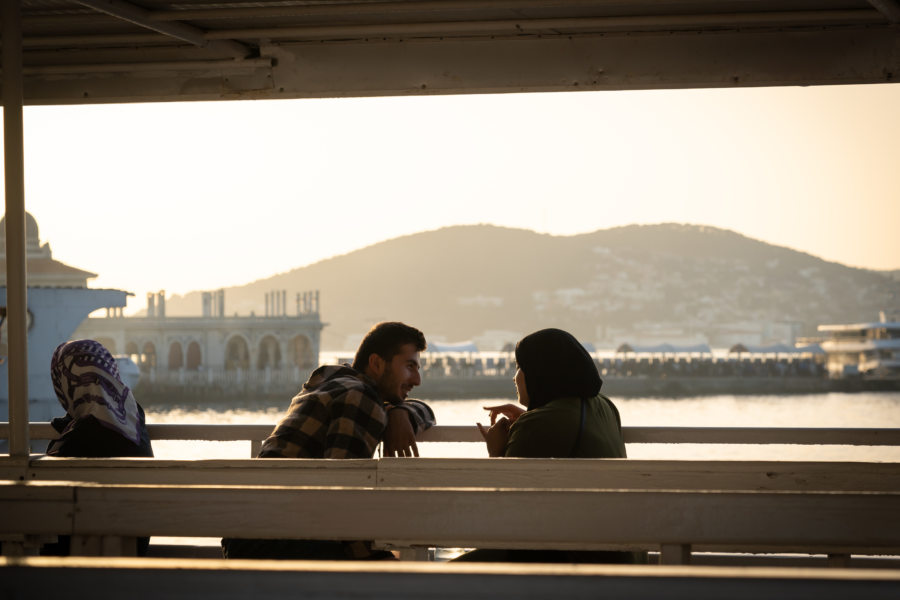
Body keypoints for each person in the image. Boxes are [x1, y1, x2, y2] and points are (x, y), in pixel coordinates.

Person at [222, 321, 435, 560]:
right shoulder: (359, 398)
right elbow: (342, 500)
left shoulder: (333, 384)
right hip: (278, 541)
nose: (417, 379)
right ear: (376, 363)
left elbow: (424, 410)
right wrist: (382, 564)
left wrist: (401, 412)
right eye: (409, 366)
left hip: (250, 531)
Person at [455, 327, 642, 563]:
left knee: (440, 578)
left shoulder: (540, 423)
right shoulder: (605, 405)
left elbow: (503, 510)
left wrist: (495, 452)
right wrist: (530, 418)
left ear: (540, 372)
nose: (515, 377)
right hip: (624, 552)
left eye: (520, 367)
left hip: (574, 558)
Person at [42, 339, 154, 556]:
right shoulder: (134, 418)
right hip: (135, 552)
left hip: (76, 565)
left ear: (65, 382)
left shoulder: (75, 441)